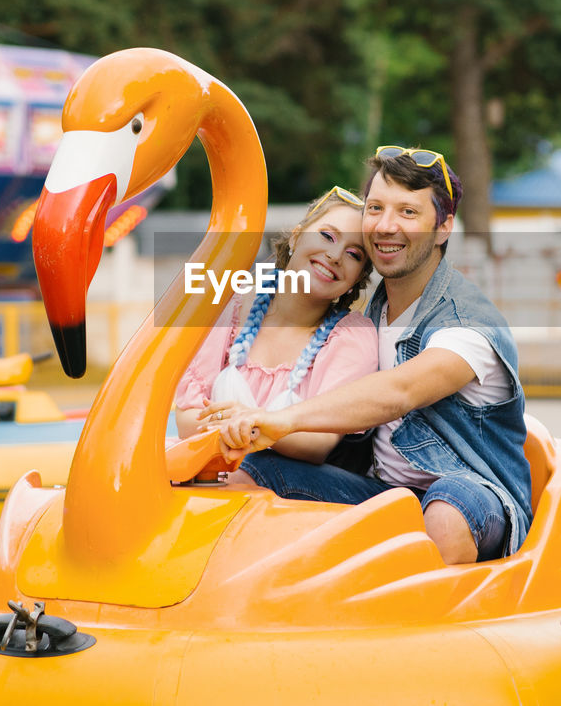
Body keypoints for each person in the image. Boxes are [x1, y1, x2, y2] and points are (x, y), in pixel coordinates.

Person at [202, 147, 532, 565]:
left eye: (408, 213)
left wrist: (282, 420)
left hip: (472, 495)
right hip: (385, 493)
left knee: (446, 511)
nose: (385, 226)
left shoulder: (468, 323)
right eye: (375, 208)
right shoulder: (374, 310)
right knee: (256, 471)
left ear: (444, 227)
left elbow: (401, 390)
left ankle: (430, 622)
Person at [175, 186, 378, 465]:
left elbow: (319, 443)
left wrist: (245, 423)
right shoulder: (227, 304)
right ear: (296, 236)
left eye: (354, 254)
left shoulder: (352, 338)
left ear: (357, 280)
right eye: (327, 236)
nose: (335, 255)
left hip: (283, 500)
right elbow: (188, 419)